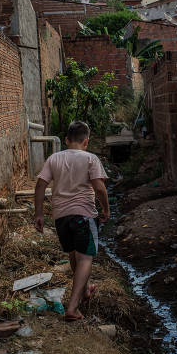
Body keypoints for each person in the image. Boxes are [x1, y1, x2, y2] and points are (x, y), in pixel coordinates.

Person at [33, 121, 110, 321]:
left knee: (74, 255)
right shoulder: (91, 158)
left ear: (66, 140)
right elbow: (100, 188)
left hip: (61, 218)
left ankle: (84, 290)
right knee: (85, 258)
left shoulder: (54, 158)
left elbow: (40, 185)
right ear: (86, 141)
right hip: (84, 215)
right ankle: (72, 308)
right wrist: (106, 209)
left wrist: (39, 213)